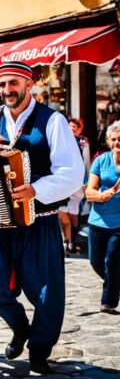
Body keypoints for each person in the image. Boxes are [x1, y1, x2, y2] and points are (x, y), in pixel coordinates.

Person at [0, 61, 84, 374]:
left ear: (29, 84)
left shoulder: (52, 120)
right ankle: (20, 326)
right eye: (3, 85)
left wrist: (35, 189)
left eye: (13, 83)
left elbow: (73, 172)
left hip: (40, 220)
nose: (8, 90)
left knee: (47, 292)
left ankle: (39, 350)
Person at [85, 123, 120, 315]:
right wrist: (103, 195)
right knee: (96, 262)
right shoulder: (100, 161)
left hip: (119, 222)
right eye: (113, 139)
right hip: (97, 220)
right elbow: (90, 191)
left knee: (113, 257)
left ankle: (109, 302)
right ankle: (115, 284)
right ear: (108, 141)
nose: (117, 143)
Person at [58, 118, 91, 254]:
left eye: (74, 126)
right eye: (70, 126)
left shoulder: (83, 142)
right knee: (62, 213)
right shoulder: (61, 139)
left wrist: (87, 183)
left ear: (79, 129)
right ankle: (67, 241)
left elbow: (86, 162)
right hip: (62, 182)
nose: (72, 128)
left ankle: (73, 241)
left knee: (73, 215)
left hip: (77, 184)